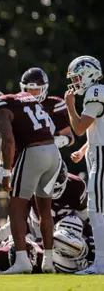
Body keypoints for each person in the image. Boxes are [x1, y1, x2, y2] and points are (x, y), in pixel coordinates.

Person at [0, 89, 61, 274]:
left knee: (16, 208)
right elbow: (51, 129)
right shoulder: (25, 97)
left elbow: (8, 140)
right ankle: (48, 261)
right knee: (44, 209)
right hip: (53, 152)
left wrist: (6, 172)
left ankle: (22, 261)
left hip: (33, 152)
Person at [64, 55, 104, 274]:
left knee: (96, 209)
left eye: (79, 76)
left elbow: (79, 128)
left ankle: (100, 263)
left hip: (102, 155)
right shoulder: (98, 93)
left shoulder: (95, 92)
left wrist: (70, 107)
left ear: (90, 74)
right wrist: (83, 150)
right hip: (97, 150)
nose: (76, 81)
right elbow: (96, 130)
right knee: (98, 209)